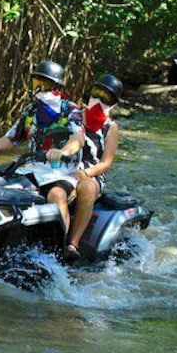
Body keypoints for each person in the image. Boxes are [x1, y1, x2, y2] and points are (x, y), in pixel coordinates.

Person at [0, 60, 85, 236]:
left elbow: (78, 137)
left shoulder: (70, 109)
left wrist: (63, 152)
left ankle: (62, 248)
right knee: (4, 191)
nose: (39, 88)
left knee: (56, 195)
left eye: (44, 83)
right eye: (37, 83)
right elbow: (11, 138)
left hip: (62, 171)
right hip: (32, 169)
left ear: (56, 86)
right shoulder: (31, 110)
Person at [65, 73, 123, 261]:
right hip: (64, 168)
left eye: (106, 98)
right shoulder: (73, 116)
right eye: (97, 93)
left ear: (113, 103)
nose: (99, 100)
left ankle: (72, 244)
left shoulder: (111, 127)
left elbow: (106, 163)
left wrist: (85, 173)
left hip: (92, 173)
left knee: (87, 187)